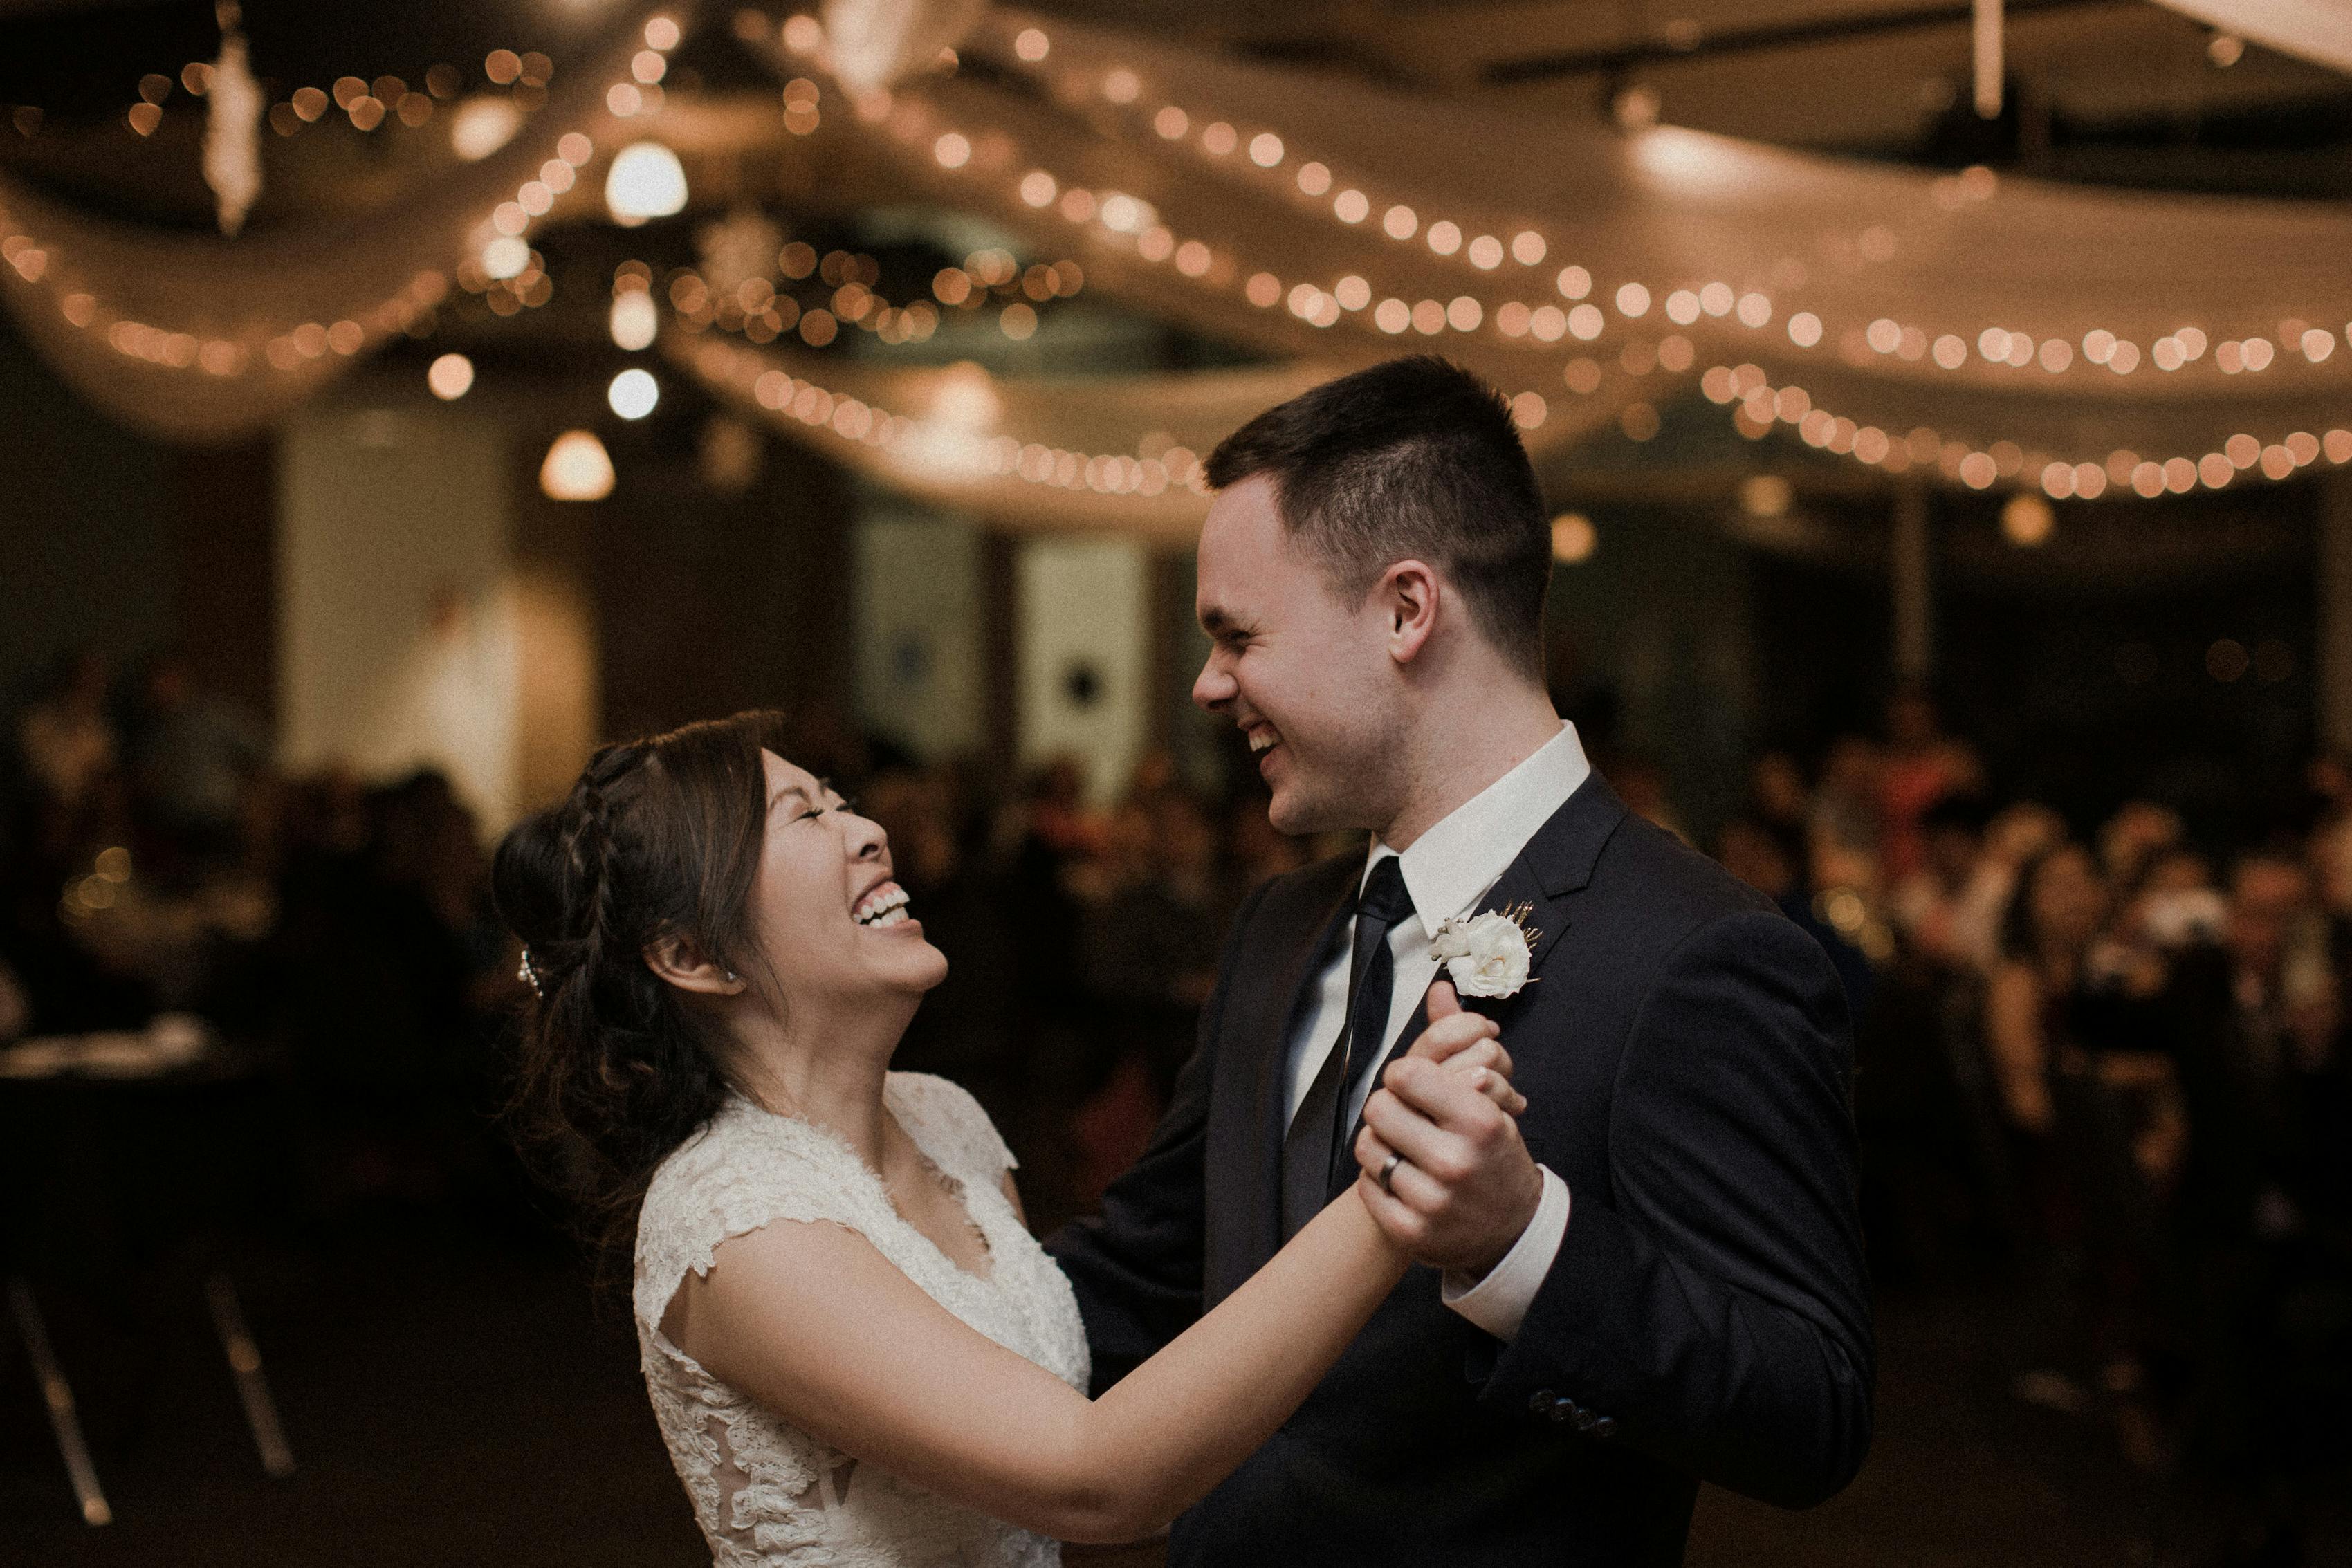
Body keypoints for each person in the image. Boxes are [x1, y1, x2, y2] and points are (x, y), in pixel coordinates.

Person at [1048, 357, 1873, 1566]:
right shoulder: (1281, 932)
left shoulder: (1701, 955)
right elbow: (1146, 1280)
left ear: (1404, 611)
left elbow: (1811, 1410)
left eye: (1237, 635)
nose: (1208, 685)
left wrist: (1523, 1240)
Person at [491, 712, 1525, 1567]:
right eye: (802, 816)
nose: (867, 831)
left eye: (842, 799)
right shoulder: (736, 1224)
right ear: (693, 954)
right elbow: (1090, 1476)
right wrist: (1396, 1190)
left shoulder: (947, 1120)